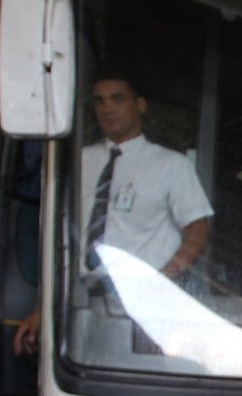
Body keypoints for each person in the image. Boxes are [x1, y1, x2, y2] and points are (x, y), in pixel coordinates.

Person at [14, 73, 214, 354]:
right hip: (82, 302)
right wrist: (42, 309)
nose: (107, 109)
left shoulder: (170, 164)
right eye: (100, 102)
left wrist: (159, 284)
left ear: (140, 105)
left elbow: (198, 231)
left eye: (118, 99)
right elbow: (61, 241)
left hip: (145, 308)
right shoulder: (78, 162)